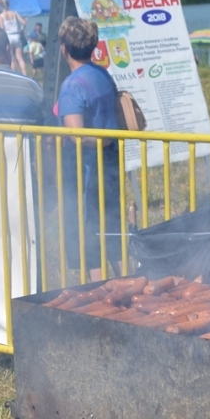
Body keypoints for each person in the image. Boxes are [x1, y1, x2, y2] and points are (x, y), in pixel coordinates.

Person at [54, 16, 122, 282]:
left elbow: (77, 135)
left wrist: (104, 139)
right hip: (110, 164)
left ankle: (102, 290)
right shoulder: (101, 73)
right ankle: (128, 281)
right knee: (111, 224)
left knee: (88, 229)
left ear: (64, 48)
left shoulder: (72, 85)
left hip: (87, 169)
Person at [0, 2, 29, 74]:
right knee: (20, 58)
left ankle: (15, 74)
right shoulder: (14, 13)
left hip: (8, 36)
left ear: (1, 6)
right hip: (16, 35)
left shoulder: (1, 16)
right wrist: (22, 30)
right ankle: (25, 74)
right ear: (8, 5)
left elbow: (2, 28)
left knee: (12, 58)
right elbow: (24, 23)